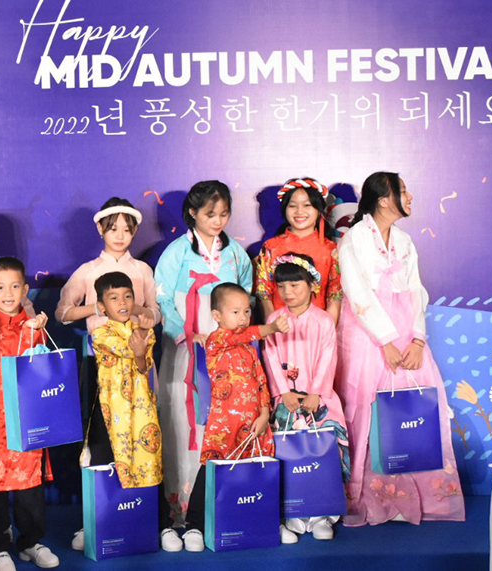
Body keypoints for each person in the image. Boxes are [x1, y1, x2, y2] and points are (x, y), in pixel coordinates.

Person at [335, 172, 464, 526]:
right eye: (403, 191)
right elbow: (357, 293)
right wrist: (385, 340)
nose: (410, 196)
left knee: (416, 405)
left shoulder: (405, 241)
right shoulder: (353, 240)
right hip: (368, 335)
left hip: (406, 334)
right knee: (370, 410)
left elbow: (416, 291)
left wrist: (418, 339)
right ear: (382, 199)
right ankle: (377, 497)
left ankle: (423, 497)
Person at [154, 180, 253, 525]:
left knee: (225, 418)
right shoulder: (176, 253)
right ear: (193, 212)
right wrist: (187, 334)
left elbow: (246, 298)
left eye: (224, 213)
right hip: (187, 351)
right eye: (210, 213)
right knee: (184, 423)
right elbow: (163, 298)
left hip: (228, 352)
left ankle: (227, 503)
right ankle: (182, 507)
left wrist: (233, 335)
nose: (218, 220)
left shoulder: (236, 255)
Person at [0, 257, 59, 571]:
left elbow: (39, 368)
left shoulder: (34, 325)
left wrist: (34, 331)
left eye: (15, 286)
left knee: (29, 487)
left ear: (25, 289)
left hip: (27, 419)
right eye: (0, 287)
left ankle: (30, 542)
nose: (8, 293)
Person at [80, 271, 183, 552]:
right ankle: (98, 524)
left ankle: (161, 525)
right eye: (114, 298)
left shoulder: (144, 333)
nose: (122, 303)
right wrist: (138, 345)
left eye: (127, 296)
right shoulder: (100, 333)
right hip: (110, 414)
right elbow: (126, 350)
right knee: (104, 465)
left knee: (150, 464)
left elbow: (142, 366)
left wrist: (141, 349)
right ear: (102, 307)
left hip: (141, 413)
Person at [181, 283, 287, 552]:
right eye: (236, 311)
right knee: (212, 470)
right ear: (217, 315)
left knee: (257, 472)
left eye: (247, 311)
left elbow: (261, 380)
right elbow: (245, 334)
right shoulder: (216, 340)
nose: (243, 317)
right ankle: (194, 524)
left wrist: (264, 412)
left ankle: (265, 521)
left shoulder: (251, 347)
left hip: (254, 423)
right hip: (224, 423)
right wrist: (271, 329)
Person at [262, 254, 350, 543]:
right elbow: (271, 356)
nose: (288, 293)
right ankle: (292, 513)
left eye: (295, 285)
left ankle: (323, 515)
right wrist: (283, 392)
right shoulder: (275, 320)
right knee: (289, 455)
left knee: (323, 454)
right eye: (282, 287)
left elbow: (328, 357)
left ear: (312, 285)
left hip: (317, 398)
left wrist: (316, 393)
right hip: (286, 399)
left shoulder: (323, 320)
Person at [55, 197, 160, 334]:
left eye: (127, 230)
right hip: (100, 351)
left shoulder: (142, 269)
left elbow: (156, 313)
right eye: (113, 229)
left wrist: (136, 309)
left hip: (137, 349)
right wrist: (97, 308)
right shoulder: (88, 270)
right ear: (100, 228)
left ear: (134, 230)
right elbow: (62, 313)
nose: (120, 236)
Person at [254, 177, 342, 323]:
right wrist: (273, 328)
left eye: (307, 205)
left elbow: (335, 296)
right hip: (280, 327)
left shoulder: (331, 250)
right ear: (284, 209)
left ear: (319, 209)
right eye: (292, 206)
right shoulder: (271, 247)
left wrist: (327, 331)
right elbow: (264, 294)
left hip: (318, 329)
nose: (299, 211)